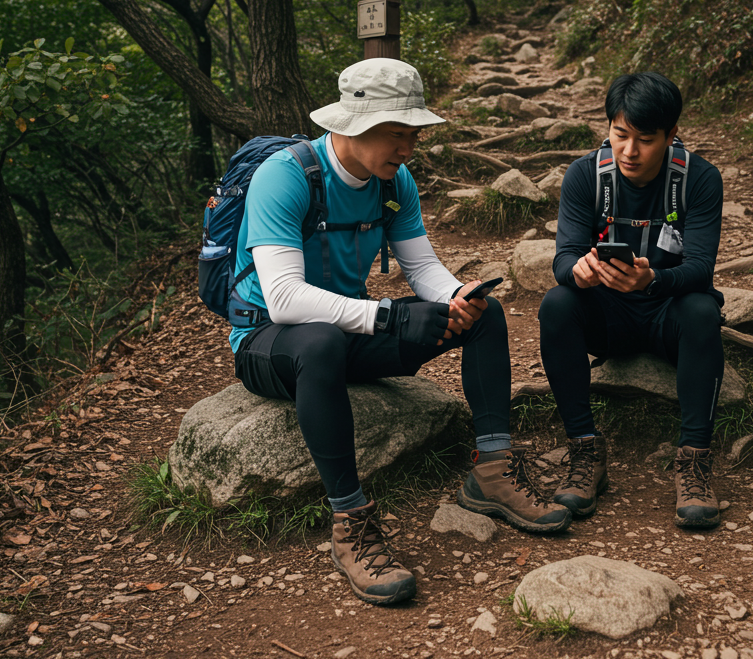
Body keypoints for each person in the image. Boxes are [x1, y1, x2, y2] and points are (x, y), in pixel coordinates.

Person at [229, 59, 570, 607]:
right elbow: (284, 299)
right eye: (397, 133)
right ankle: (350, 523)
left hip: (348, 330)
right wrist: (389, 317)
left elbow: (422, 268)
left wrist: (457, 296)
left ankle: (494, 470)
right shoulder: (285, 176)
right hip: (270, 342)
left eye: (414, 134)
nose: (409, 147)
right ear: (352, 123)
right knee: (320, 341)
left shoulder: (394, 182)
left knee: (486, 314)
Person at [538, 71, 727, 529]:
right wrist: (578, 272)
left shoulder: (699, 179)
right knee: (556, 303)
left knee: (704, 308)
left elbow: (701, 269)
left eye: (645, 139)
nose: (629, 151)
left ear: (671, 135)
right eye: (620, 135)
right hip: (610, 317)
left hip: (668, 313)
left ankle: (695, 460)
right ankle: (585, 450)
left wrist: (651, 281)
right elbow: (563, 258)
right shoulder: (586, 174)